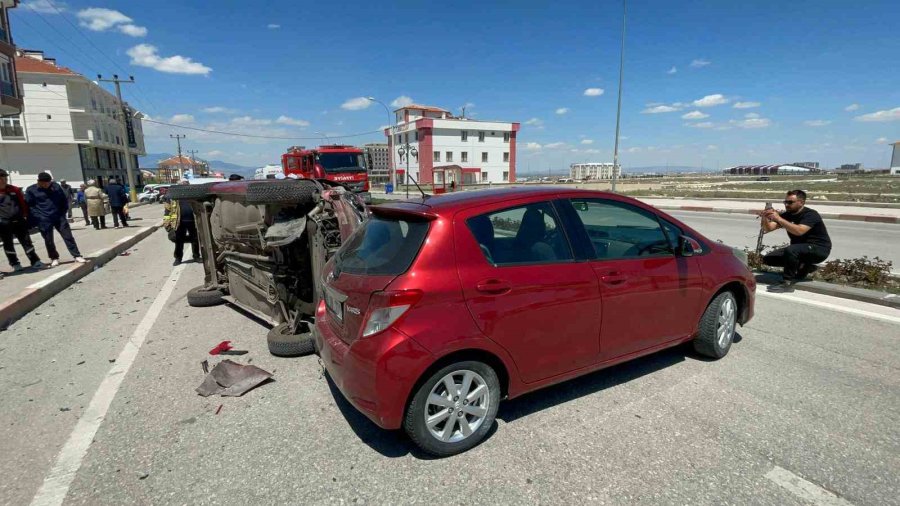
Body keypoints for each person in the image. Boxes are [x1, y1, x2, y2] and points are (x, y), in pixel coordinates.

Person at [760, 189, 832, 293]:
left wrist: (779, 218)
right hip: (800, 249)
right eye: (785, 202)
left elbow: (799, 231)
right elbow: (769, 228)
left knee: (791, 250)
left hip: (819, 249)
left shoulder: (811, 214)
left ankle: (787, 283)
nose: (787, 205)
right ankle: (806, 266)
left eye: (790, 202)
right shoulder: (787, 215)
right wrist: (765, 217)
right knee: (769, 259)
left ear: (801, 202)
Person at [24, 172, 85, 267]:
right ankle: (54, 258)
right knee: (48, 240)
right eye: (44, 183)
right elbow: (30, 206)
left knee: (68, 236)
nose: (47, 185)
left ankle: (77, 255)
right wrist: (38, 217)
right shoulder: (31, 190)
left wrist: (62, 213)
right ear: (39, 182)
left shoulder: (55, 186)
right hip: (43, 219)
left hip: (59, 217)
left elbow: (63, 200)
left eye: (48, 183)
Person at [0, 168, 44, 271]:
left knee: (26, 241)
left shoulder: (14, 189)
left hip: (19, 220)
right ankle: (15, 263)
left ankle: (35, 261)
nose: (4, 180)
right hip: (4, 223)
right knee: (8, 243)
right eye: (1, 179)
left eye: (5, 178)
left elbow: (22, 203)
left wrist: (24, 215)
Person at [165, 181, 199, 265]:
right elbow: (167, 211)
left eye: (186, 184)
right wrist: (167, 225)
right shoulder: (173, 196)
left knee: (195, 239)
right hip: (179, 222)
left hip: (193, 221)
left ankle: (196, 256)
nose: (184, 186)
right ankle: (178, 258)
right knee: (179, 241)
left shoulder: (193, 195)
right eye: (182, 185)